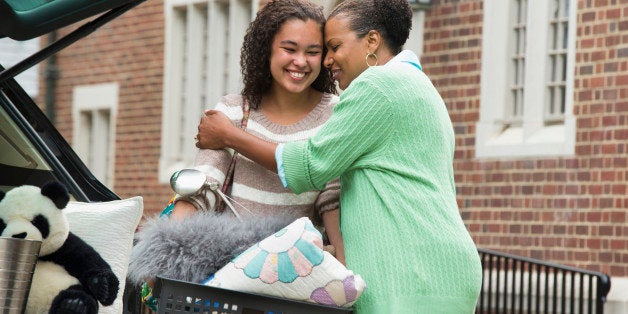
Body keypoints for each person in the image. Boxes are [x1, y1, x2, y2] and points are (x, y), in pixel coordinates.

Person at [194, 0, 482, 312]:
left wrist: (228, 135)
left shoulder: (378, 85)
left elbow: (308, 166)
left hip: (407, 271)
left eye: (333, 47)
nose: (328, 60)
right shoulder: (418, 85)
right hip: (442, 267)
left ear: (371, 41)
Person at [171, 0, 345, 263]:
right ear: (267, 50)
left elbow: (331, 199)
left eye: (313, 52)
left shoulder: (336, 113)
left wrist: (344, 268)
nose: (300, 62)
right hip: (231, 269)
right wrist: (169, 251)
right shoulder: (232, 110)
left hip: (298, 272)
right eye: (289, 49)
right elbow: (202, 189)